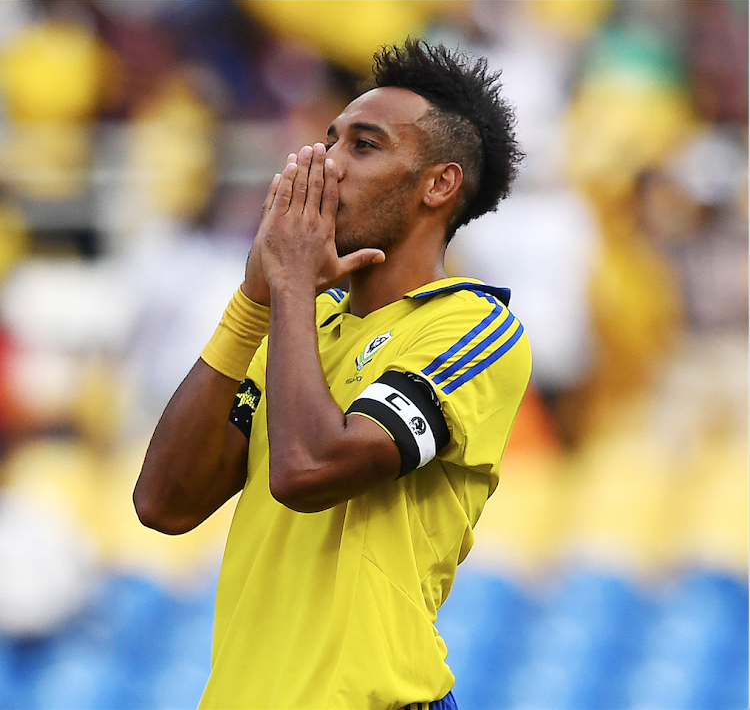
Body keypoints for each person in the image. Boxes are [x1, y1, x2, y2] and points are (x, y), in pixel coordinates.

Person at [133, 38, 531, 710]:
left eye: (364, 146)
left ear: (438, 184)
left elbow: (308, 469)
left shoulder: (470, 325)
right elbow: (163, 503)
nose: (322, 162)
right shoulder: (300, 326)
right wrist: (252, 302)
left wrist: (288, 287)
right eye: (329, 138)